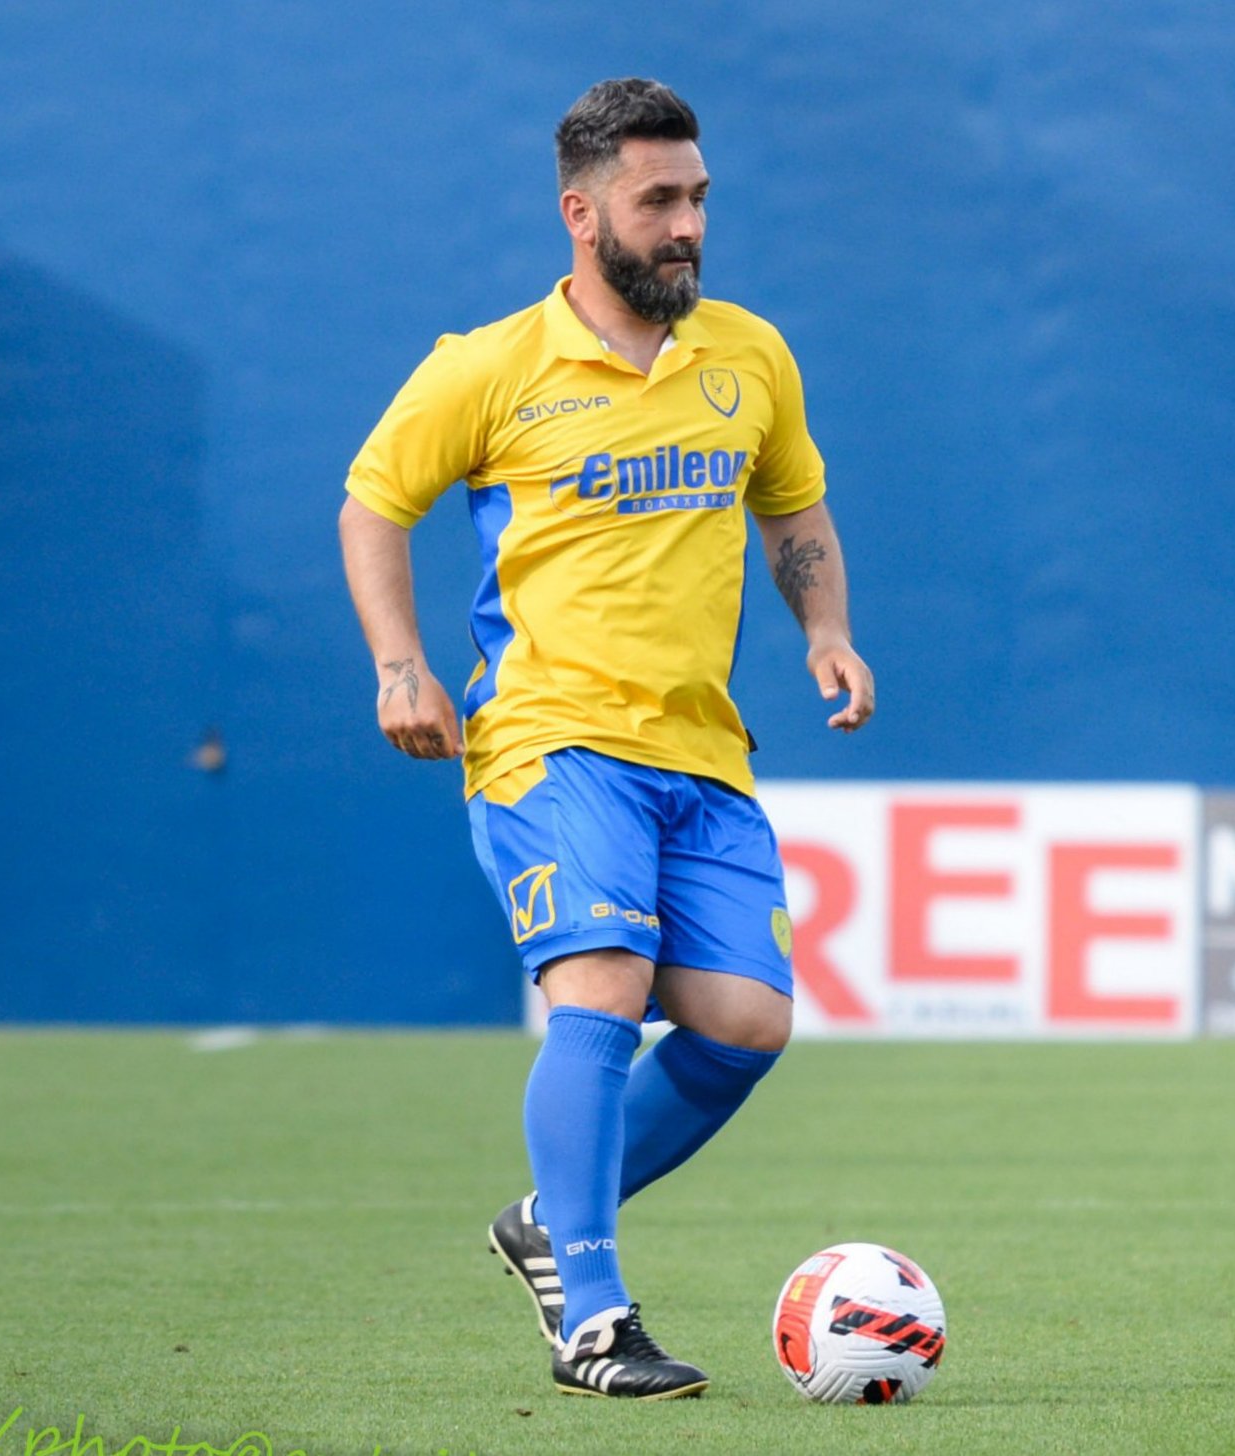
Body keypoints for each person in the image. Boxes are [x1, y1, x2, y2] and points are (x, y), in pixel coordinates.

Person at [338, 77, 873, 1401]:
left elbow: (793, 505)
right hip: (550, 737)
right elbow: (373, 504)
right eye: (658, 201)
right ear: (582, 215)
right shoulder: (488, 367)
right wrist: (401, 666)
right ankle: (592, 1316)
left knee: (745, 1024)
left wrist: (825, 630)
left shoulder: (749, 355)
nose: (688, 225)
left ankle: (546, 1219)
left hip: (701, 753)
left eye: (698, 198)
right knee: (604, 987)